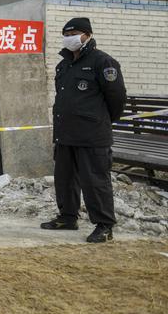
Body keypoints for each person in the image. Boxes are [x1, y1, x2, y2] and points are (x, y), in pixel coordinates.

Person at [41, 17, 126, 243]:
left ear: (87, 35)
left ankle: (104, 226)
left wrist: (101, 122)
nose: (70, 38)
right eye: (66, 34)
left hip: (92, 136)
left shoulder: (103, 62)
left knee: (95, 182)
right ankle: (67, 217)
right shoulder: (64, 65)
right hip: (66, 134)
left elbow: (116, 99)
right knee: (65, 179)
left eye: (75, 33)